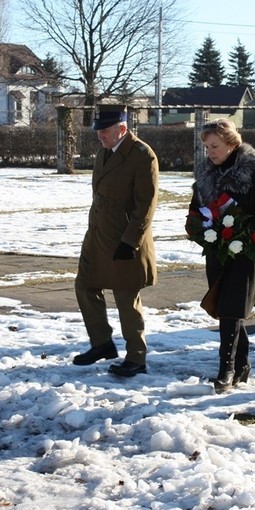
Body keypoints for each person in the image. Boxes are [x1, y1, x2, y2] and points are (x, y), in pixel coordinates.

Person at [187, 119, 255, 393]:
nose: (210, 152)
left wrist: (246, 233)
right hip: (218, 251)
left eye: (214, 146)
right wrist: (201, 230)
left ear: (231, 144)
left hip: (248, 250)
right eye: (206, 147)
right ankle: (241, 365)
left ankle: (225, 369)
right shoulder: (206, 174)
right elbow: (196, 210)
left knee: (233, 308)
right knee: (228, 310)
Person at [72, 104, 159, 378]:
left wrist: (130, 241)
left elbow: (145, 206)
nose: (100, 136)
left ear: (122, 128)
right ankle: (102, 343)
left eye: (105, 131)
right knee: (85, 286)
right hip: (98, 235)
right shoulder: (104, 152)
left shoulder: (142, 155)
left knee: (125, 296)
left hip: (124, 239)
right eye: (98, 131)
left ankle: (136, 357)